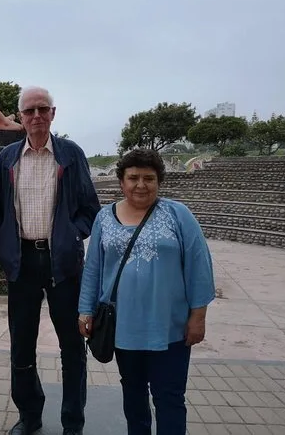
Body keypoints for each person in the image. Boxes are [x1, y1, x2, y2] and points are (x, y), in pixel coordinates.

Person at [78, 149, 216, 435]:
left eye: (149, 178)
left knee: (170, 398)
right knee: (133, 396)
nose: (141, 185)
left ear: (158, 182)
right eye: (133, 178)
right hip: (123, 328)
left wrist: (198, 317)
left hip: (170, 329)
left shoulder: (178, 214)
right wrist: (85, 310)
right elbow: (93, 268)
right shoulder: (104, 217)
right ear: (121, 182)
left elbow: (199, 265)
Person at [0, 86, 101, 435]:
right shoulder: (7, 158)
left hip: (63, 264)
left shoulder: (71, 154)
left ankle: (73, 422)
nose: (36, 116)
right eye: (29, 111)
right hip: (21, 262)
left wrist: (71, 236)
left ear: (53, 114)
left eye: (42, 109)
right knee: (21, 346)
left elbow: (90, 209)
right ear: (20, 117)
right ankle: (30, 416)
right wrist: (3, 246)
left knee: (72, 347)